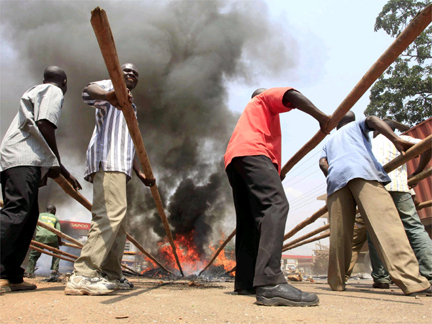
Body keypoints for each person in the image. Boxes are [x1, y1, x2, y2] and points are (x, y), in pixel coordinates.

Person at [224, 87, 330, 306]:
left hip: (235, 160)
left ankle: (246, 282)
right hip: (254, 153)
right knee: (276, 205)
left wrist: (275, 170)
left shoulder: (251, 118)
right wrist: (322, 118)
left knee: (250, 220)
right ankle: (270, 282)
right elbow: (290, 94)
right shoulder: (263, 99)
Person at [65, 63, 155, 296]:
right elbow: (88, 91)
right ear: (118, 73)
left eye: (135, 73)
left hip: (121, 167)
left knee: (119, 220)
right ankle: (84, 274)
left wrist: (138, 171)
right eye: (127, 71)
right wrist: (109, 94)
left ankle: (111, 274)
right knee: (109, 214)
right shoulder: (110, 87)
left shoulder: (131, 106)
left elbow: (130, 142)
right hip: (108, 161)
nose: (131, 74)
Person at [319, 111, 431, 296]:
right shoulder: (355, 126)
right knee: (387, 226)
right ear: (352, 120)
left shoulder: (328, 142)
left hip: (336, 181)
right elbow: (372, 120)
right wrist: (396, 139)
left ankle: (337, 282)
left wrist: (332, 175)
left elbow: (323, 162)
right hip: (362, 173)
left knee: (340, 234)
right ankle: (412, 281)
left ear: (337, 123)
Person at [0, 66, 81, 293]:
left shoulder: (35, 90)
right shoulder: (52, 91)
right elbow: (45, 123)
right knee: (18, 212)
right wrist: (61, 167)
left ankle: (10, 276)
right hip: (22, 158)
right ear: (64, 83)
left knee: (28, 217)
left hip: (21, 160)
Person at [367, 119, 432, 288]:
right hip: (399, 187)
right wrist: (417, 172)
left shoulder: (368, 144)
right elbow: (427, 145)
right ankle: (429, 274)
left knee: (375, 233)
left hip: (375, 190)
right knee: (414, 227)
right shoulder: (400, 139)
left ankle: (381, 278)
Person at [26, 205, 63, 281]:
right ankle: (54, 271)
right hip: (52, 237)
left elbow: (33, 225)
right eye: (55, 210)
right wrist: (59, 242)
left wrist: (33, 236)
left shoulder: (39, 215)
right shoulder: (55, 218)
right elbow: (58, 232)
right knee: (57, 253)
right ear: (52, 210)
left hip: (40, 236)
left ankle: (29, 272)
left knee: (33, 255)